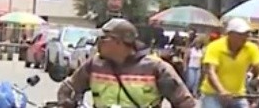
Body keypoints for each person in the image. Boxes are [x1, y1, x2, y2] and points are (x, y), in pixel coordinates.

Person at [56, 17, 198, 108]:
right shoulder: (94, 65)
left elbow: (185, 102)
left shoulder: (155, 68)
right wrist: (67, 103)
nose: (97, 43)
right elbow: (69, 88)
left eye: (103, 39)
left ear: (119, 42)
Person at [199, 18, 259, 108]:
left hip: (238, 95)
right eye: (240, 34)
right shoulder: (215, 47)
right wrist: (221, 91)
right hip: (213, 94)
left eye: (246, 34)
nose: (244, 37)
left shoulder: (251, 48)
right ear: (230, 34)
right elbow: (211, 72)